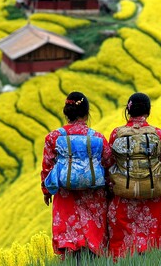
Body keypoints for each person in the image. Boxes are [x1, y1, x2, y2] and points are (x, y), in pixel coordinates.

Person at [40, 91, 112, 261]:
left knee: (69, 242)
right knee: (93, 242)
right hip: (93, 196)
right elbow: (108, 163)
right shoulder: (97, 137)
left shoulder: (53, 137)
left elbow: (47, 167)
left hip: (66, 196)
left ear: (66, 113)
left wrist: (46, 190)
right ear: (87, 114)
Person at [107, 92, 161, 259]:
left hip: (124, 197)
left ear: (128, 111)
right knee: (152, 247)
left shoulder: (117, 133)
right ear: (148, 111)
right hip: (153, 199)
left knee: (123, 248)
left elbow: (108, 164)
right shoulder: (159, 134)